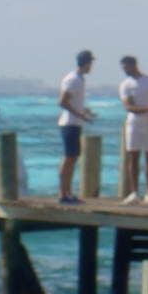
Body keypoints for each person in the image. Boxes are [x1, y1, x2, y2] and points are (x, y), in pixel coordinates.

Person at [116, 56, 148, 203]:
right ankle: (134, 192)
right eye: (123, 69)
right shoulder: (126, 84)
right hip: (134, 123)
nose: (125, 71)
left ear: (133, 65)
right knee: (133, 156)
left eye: (126, 68)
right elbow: (128, 106)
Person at [54, 51, 95, 206]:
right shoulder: (73, 79)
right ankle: (62, 192)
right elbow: (62, 102)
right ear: (86, 63)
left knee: (73, 157)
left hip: (74, 122)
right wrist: (80, 115)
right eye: (90, 63)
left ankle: (67, 191)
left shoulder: (79, 79)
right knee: (69, 157)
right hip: (69, 123)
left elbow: (73, 103)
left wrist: (84, 111)